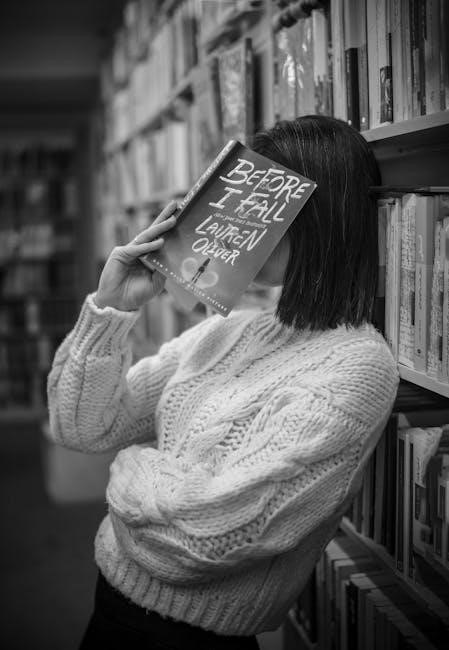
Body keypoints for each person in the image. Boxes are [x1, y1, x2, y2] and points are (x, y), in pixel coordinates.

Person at [46, 115, 399, 650]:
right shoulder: (228, 330)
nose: (238, 223)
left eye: (260, 205)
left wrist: (130, 467)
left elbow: (206, 538)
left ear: (318, 218)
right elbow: (81, 427)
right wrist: (112, 308)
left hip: (191, 639)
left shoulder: (356, 367)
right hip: (110, 607)